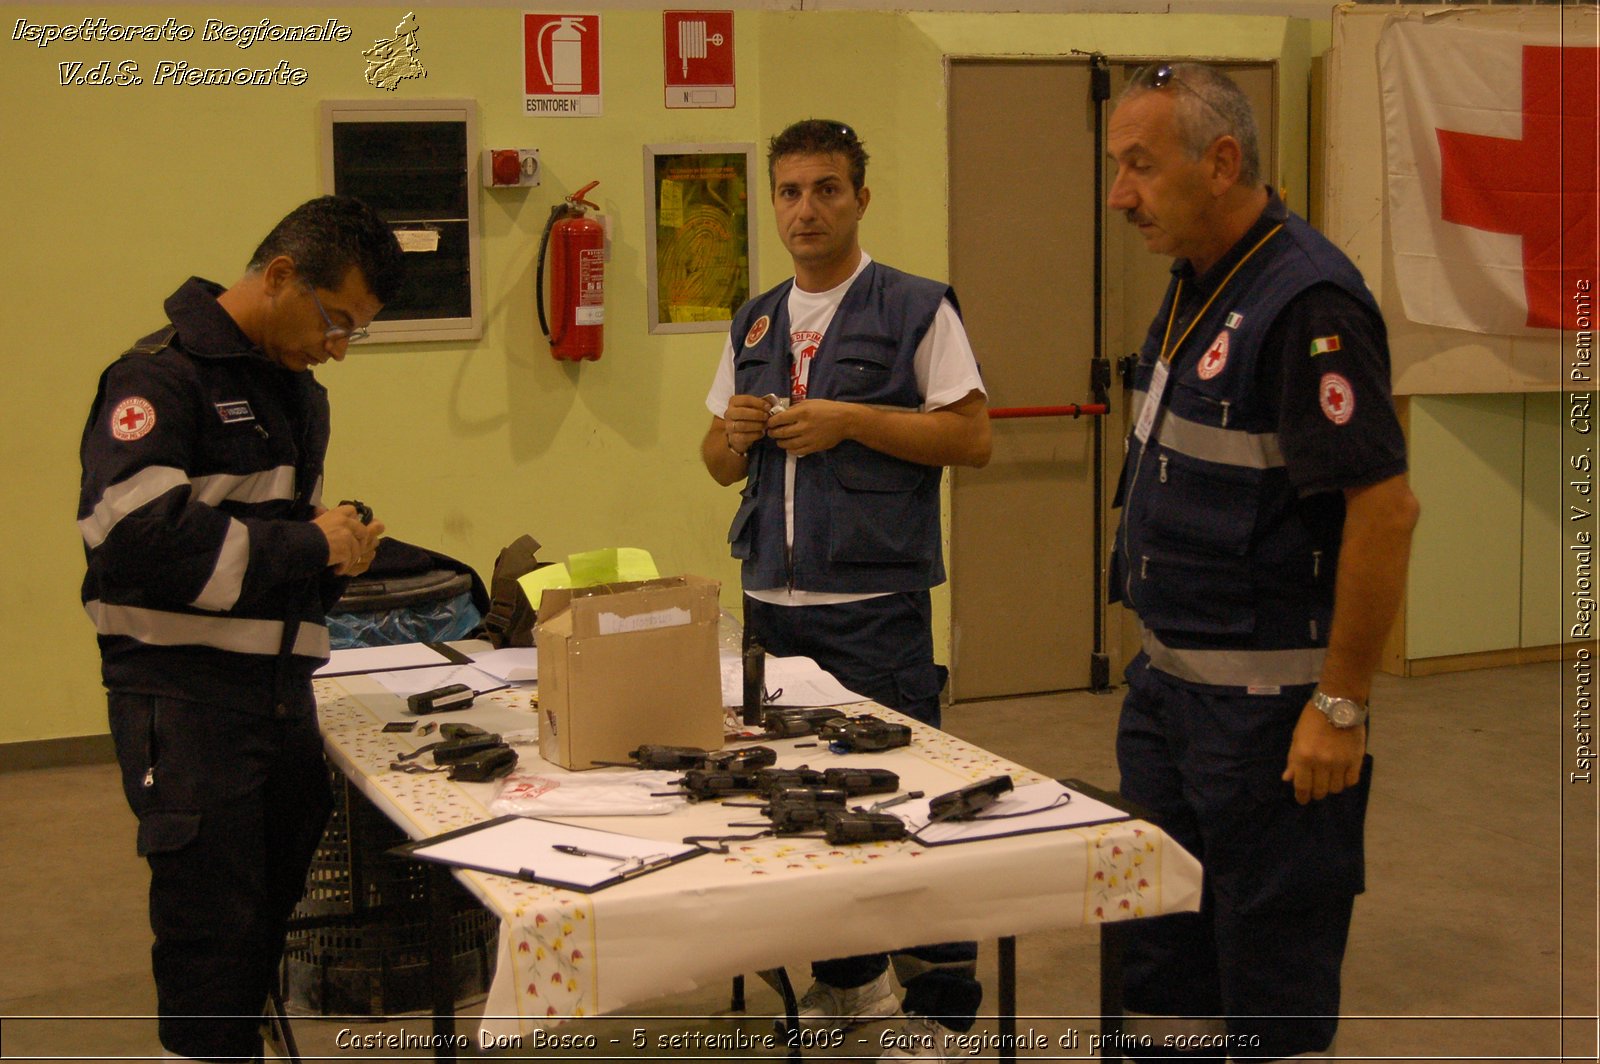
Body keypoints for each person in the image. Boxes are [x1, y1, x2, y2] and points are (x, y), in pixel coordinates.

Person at [1105, 64, 1420, 1060]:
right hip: (1168, 698)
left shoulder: (1307, 304)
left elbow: (1385, 508)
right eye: (1120, 167)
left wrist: (1340, 704)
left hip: (1267, 724)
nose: (1120, 195)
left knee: (1266, 981)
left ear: (1223, 161)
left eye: (1140, 167)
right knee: (1157, 963)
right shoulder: (1199, 281)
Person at [77, 196, 404, 1062]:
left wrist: (336, 551)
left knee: (267, 921)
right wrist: (305, 542)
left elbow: (260, 545)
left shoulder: (295, 390)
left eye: (354, 334)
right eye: (336, 321)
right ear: (282, 276)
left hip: (278, 696)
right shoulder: (158, 379)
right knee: (207, 941)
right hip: (183, 700)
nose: (336, 346)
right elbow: (130, 539)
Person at [700, 119, 992, 1059]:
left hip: (876, 615)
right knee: (801, 806)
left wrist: (851, 422)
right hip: (771, 613)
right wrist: (737, 431)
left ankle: (944, 1003)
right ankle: (848, 986)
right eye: (789, 191)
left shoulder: (914, 307)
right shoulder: (755, 319)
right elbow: (712, 463)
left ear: (861, 199)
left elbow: (970, 438)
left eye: (827, 189)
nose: (806, 209)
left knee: (906, 798)